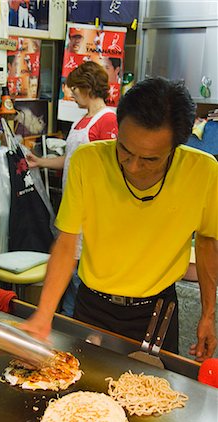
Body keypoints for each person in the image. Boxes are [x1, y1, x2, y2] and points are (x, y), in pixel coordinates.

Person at [21, 77, 218, 362]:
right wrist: (44, 313)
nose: (134, 166)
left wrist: (208, 315)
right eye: (124, 150)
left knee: (152, 399)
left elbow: (208, 242)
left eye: (150, 159)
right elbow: (66, 242)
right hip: (92, 306)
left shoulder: (203, 171)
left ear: (176, 146)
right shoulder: (88, 162)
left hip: (157, 312)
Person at [26, 62, 118, 316]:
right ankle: (66, 323)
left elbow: (111, 171)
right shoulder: (82, 121)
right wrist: (40, 162)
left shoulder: (107, 120)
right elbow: (70, 161)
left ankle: (74, 328)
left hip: (91, 216)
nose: (72, 94)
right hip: (73, 209)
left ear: (87, 88)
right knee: (69, 274)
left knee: (79, 277)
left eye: (75, 89)